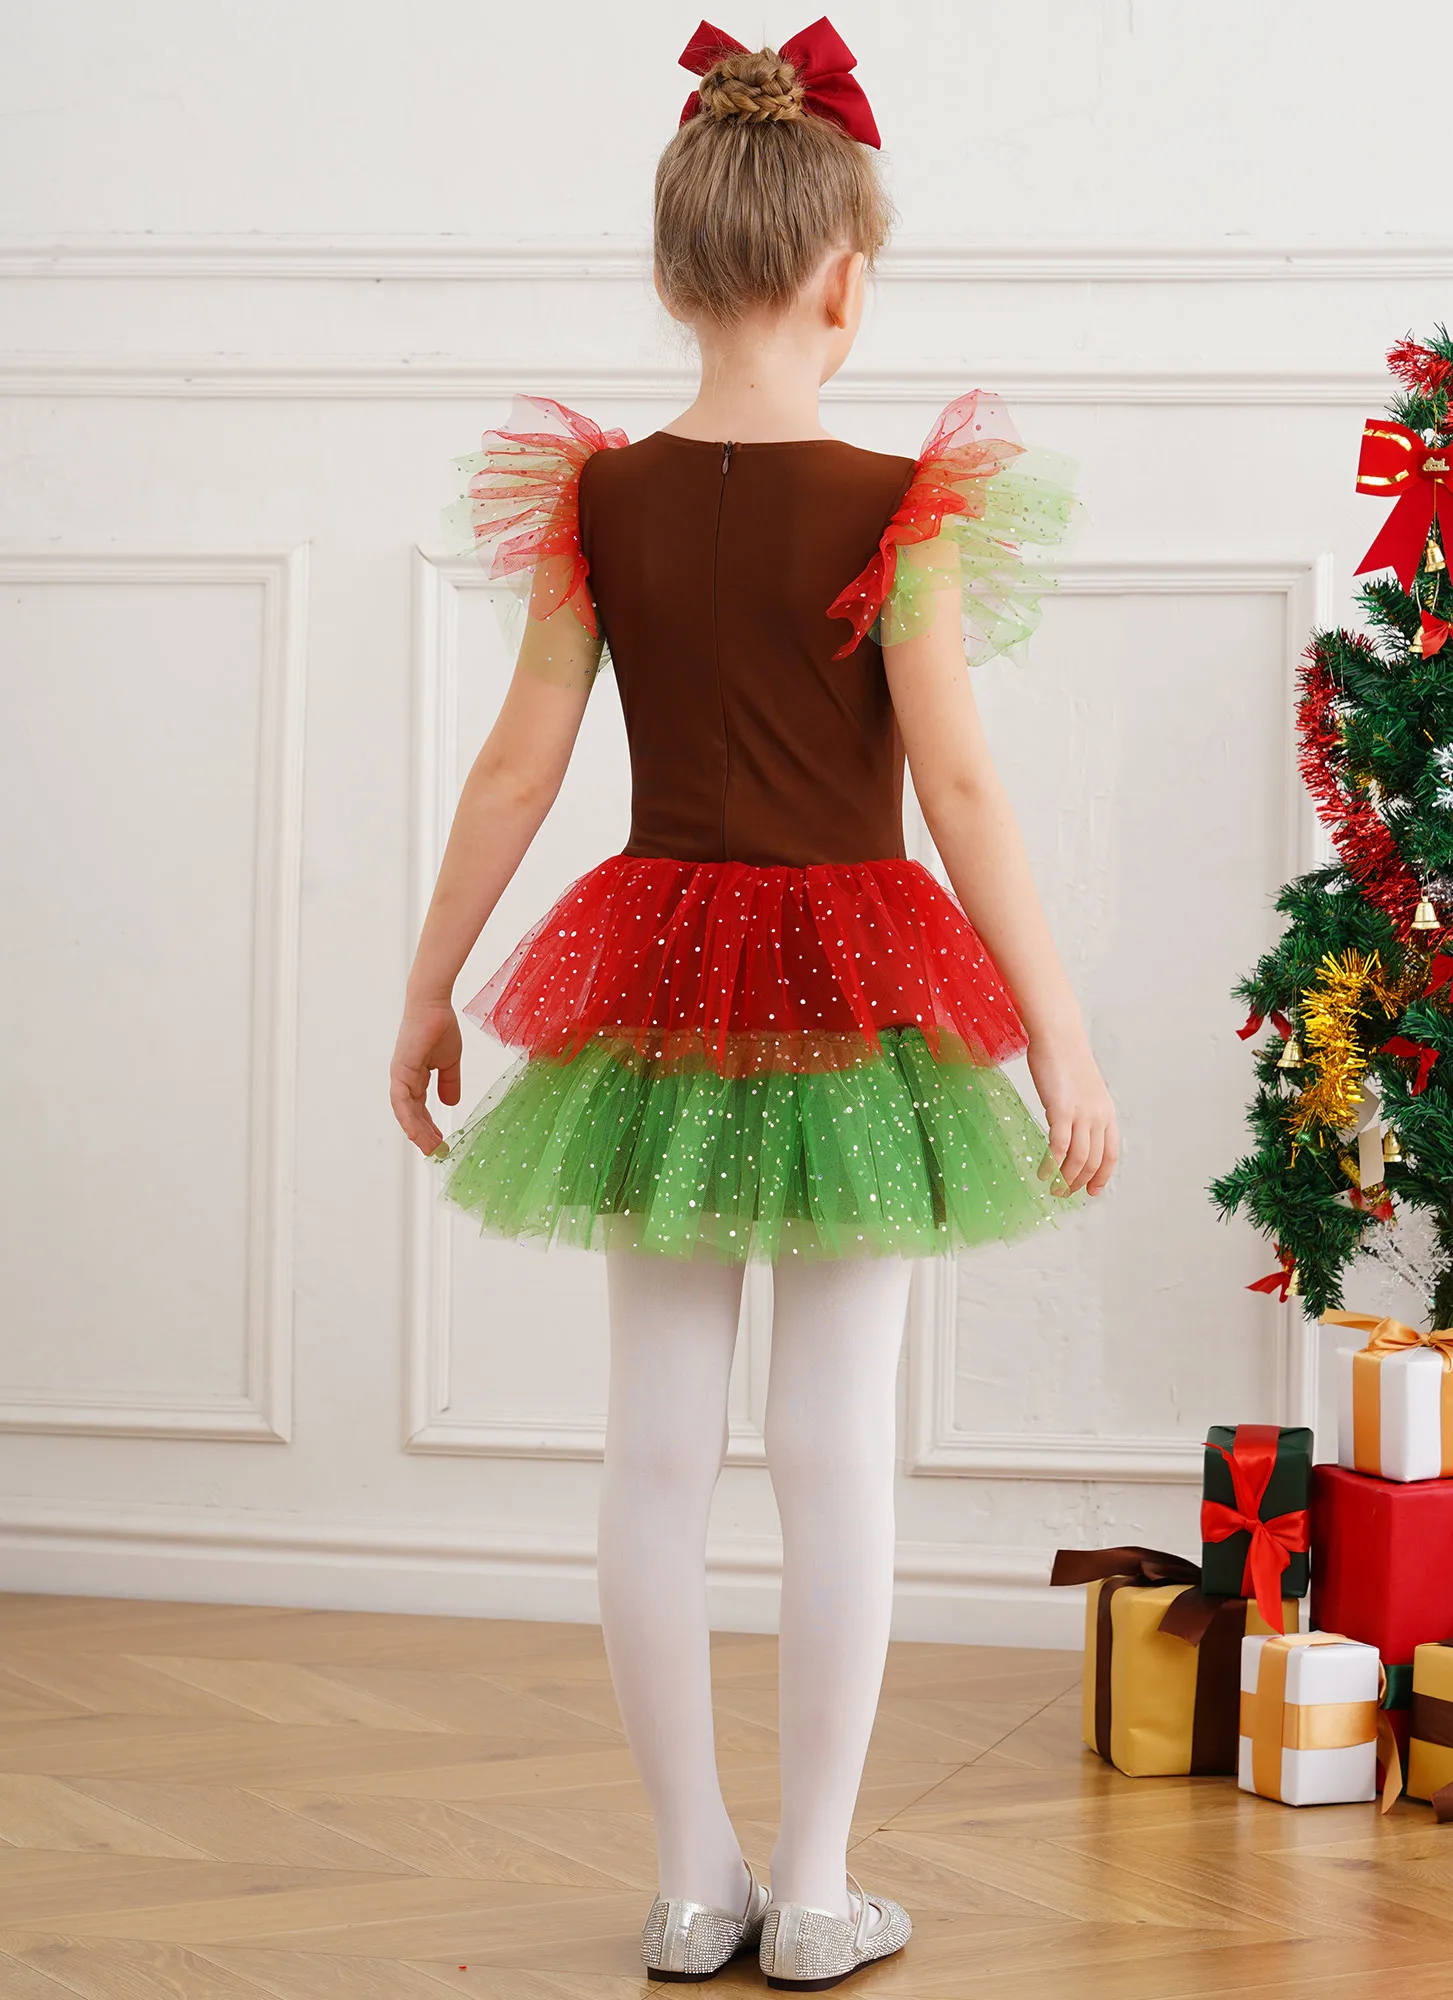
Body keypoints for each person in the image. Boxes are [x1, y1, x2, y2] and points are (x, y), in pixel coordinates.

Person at [390, 18, 1117, 1989]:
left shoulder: (602, 501)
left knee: (652, 1439)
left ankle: (689, 1878)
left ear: (672, 270)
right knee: (832, 1438)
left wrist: (432, 987)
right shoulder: (901, 504)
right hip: (860, 992)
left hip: (653, 980)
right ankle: (812, 1885)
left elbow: (516, 771)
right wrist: (1057, 1031)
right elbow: (961, 787)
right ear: (846, 280)